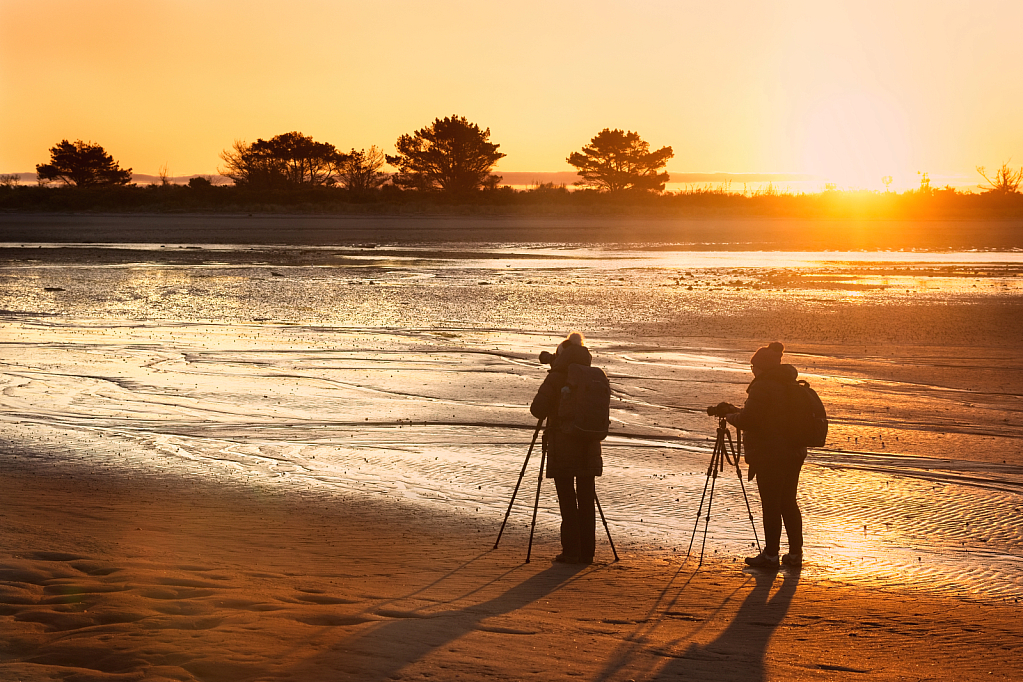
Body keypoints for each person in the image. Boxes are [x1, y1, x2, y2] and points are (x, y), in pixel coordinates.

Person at [726, 342, 806, 569]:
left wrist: (730, 415)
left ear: (761, 367)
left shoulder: (763, 387)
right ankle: (795, 554)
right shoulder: (788, 383)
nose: (752, 370)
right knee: (788, 502)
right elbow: (766, 416)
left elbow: (750, 420)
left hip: (771, 454)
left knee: (771, 504)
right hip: (794, 451)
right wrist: (737, 412)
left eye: (753, 366)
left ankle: (771, 555)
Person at [530, 332, 603, 564]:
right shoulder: (593, 375)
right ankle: (587, 553)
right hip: (590, 444)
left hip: (563, 445)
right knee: (586, 496)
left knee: (567, 498)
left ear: (561, 353)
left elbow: (537, 409)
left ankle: (571, 550)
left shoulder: (558, 375)